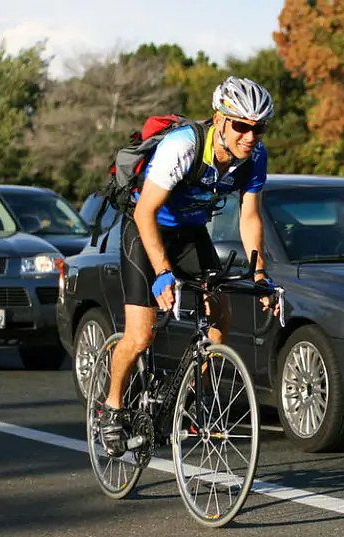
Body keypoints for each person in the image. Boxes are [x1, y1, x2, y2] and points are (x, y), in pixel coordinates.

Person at [98, 76, 278, 457]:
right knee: (140, 336)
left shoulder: (255, 156)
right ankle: (112, 408)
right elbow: (146, 210)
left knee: (220, 313)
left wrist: (260, 274)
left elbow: (250, 217)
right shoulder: (184, 146)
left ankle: (186, 396)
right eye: (242, 126)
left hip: (191, 233)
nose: (250, 136)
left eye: (258, 128)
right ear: (220, 120)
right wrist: (162, 272)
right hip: (146, 229)